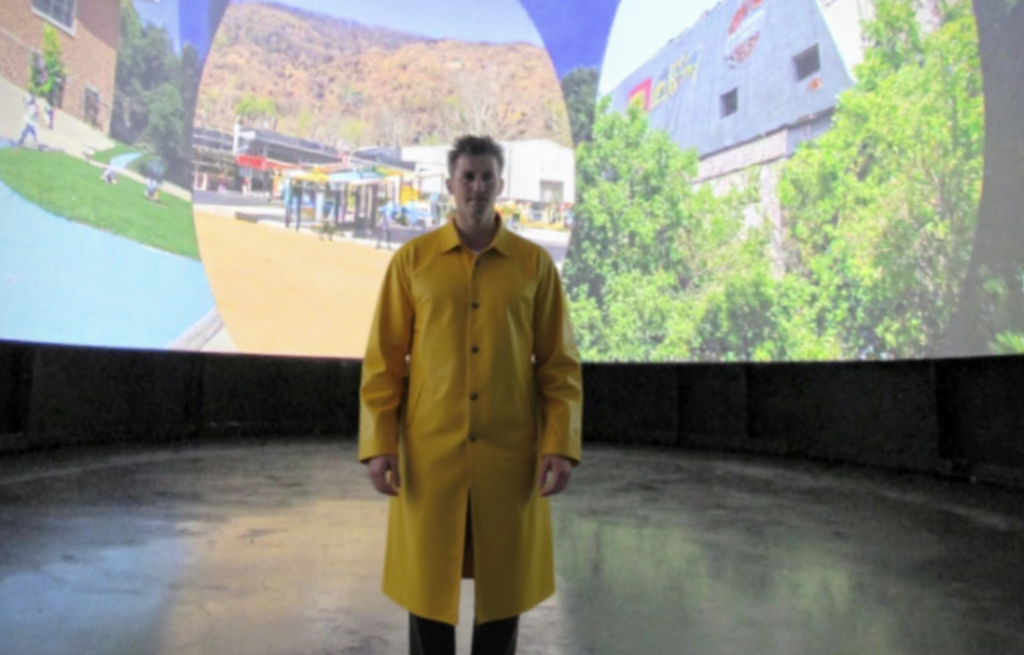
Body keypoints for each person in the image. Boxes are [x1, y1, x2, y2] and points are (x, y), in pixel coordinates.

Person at [359, 135, 583, 655]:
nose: (477, 187)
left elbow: (559, 366)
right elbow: (383, 362)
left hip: (510, 454)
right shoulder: (412, 262)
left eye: (486, 177)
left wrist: (559, 444)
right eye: (468, 177)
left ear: (501, 184)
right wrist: (379, 444)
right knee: (427, 590)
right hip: (430, 454)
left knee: (503, 594)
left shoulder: (533, 266)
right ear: (450, 185)